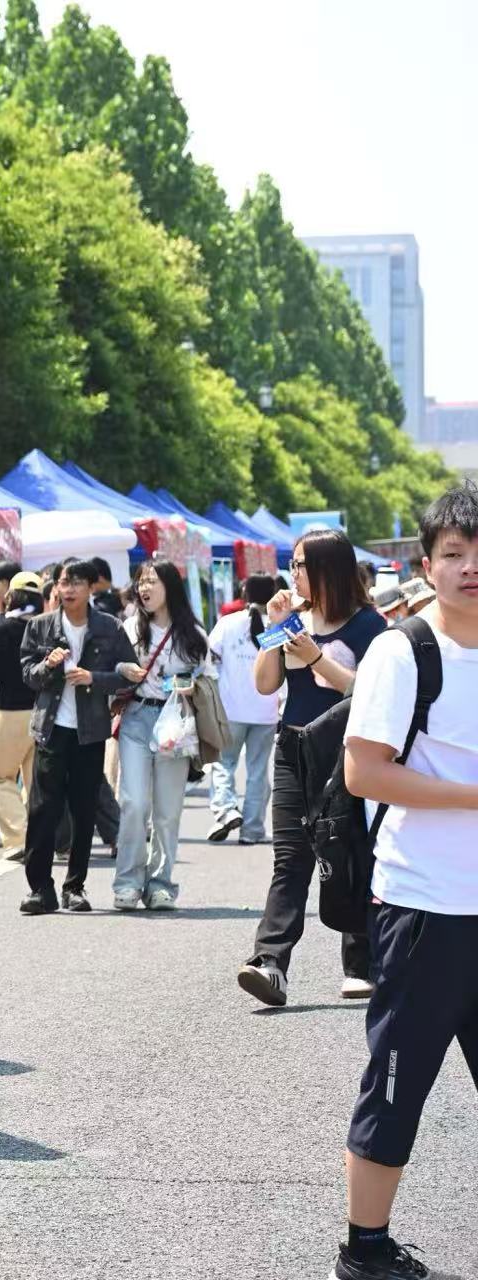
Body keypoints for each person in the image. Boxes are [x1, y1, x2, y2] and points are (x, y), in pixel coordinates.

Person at [330, 482, 478, 1280]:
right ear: (426, 565)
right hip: (424, 908)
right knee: (396, 1087)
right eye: (454, 553)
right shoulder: (403, 651)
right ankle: (366, 1249)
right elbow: (365, 772)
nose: (470, 567)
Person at [238, 528, 386, 1006]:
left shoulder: (370, 625)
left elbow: (369, 692)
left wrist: (317, 657)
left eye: (301, 565)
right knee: (290, 857)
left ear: (328, 569)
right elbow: (265, 684)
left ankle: (361, 963)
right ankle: (269, 962)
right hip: (293, 747)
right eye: (293, 565)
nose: (294, 574)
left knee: (351, 852)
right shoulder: (293, 619)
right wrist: (275, 627)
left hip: (347, 751)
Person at [18, 558, 135, 915]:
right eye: (63, 582)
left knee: (84, 810)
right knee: (43, 810)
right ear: (55, 588)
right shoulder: (40, 627)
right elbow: (28, 675)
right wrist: (48, 665)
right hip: (51, 729)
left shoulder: (109, 627)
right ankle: (40, 888)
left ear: (90, 587)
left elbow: (128, 675)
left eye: (76, 582)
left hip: (90, 731)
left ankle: (75, 887)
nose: (68, 589)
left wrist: (93, 678)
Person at [111, 559, 209, 911]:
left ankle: (160, 884)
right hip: (137, 718)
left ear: (170, 586)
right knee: (134, 803)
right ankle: (127, 883)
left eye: (151, 581)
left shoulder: (193, 634)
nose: (144, 588)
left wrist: (193, 687)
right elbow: (111, 667)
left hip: (176, 723)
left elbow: (210, 677)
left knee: (167, 812)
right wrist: (124, 669)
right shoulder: (129, 627)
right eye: (140, 582)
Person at [205, 575, 282, 845]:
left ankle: (226, 809)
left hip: (231, 709)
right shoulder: (277, 626)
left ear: (244, 592)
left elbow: (208, 658)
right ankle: (252, 829)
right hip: (267, 710)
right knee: (258, 771)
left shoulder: (228, 623)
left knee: (223, 763)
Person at [0, 572, 43, 857]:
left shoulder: (3, 628)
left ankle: (18, 838)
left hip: (11, 711)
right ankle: (42, 838)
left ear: (12, 596)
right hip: (42, 709)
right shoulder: (46, 626)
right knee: (33, 781)